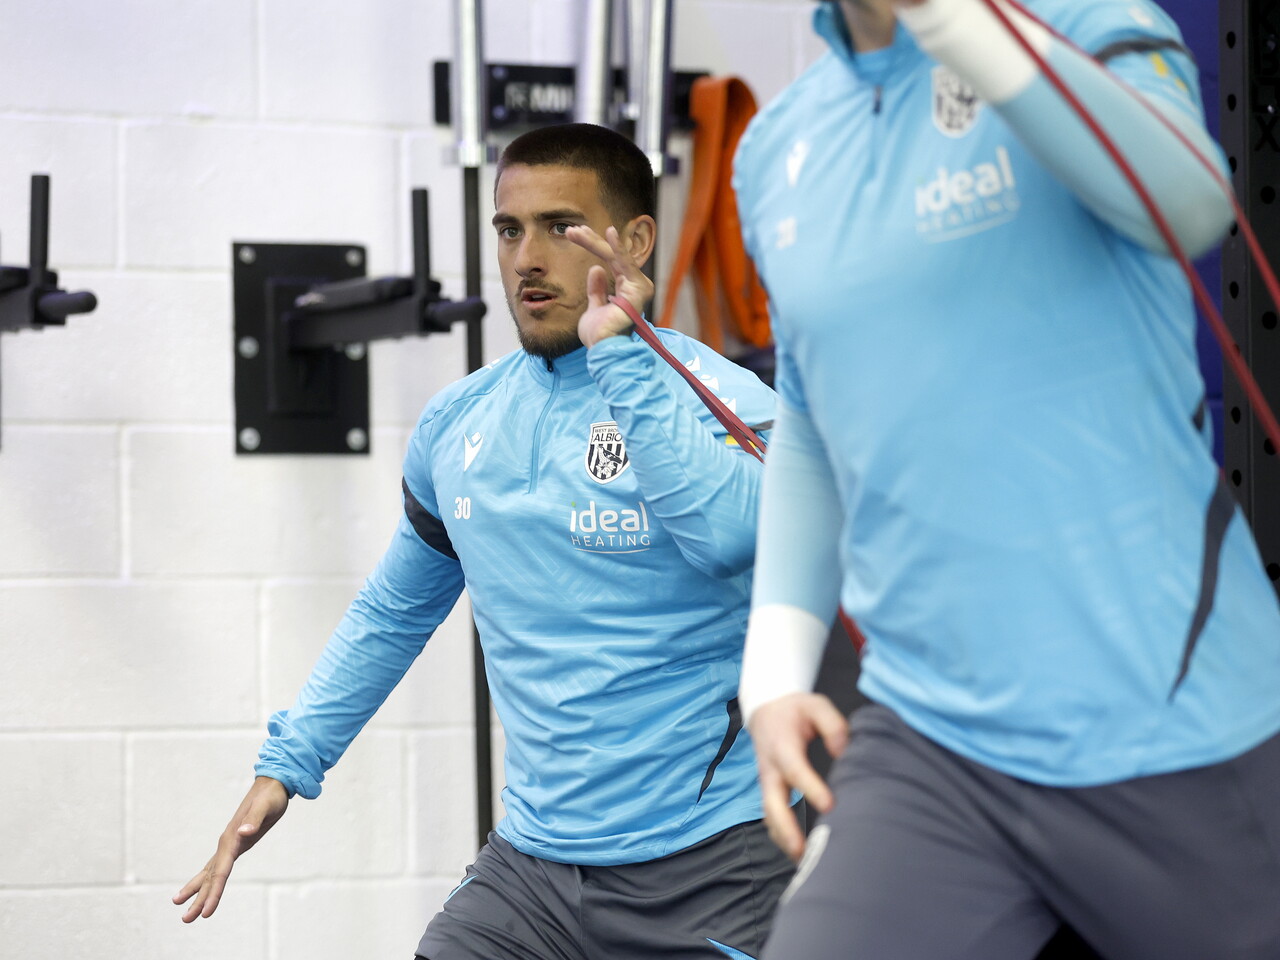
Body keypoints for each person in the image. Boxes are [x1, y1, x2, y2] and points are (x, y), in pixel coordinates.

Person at [732, 1, 1280, 958]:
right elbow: (814, 423)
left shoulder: (1090, 21)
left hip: (1172, 723)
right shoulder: (775, 147)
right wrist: (772, 676)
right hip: (934, 743)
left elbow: (1193, 205)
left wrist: (952, 21)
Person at [174, 123, 791, 960]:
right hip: (532, 875)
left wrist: (620, 355)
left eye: (560, 227)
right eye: (509, 229)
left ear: (635, 240)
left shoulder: (729, 402)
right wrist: (288, 765)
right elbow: (394, 612)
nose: (527, 258)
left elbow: (728, 538)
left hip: (707, 869)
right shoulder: (459, 423)